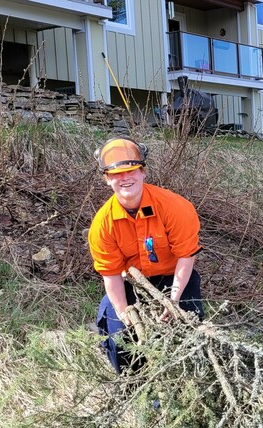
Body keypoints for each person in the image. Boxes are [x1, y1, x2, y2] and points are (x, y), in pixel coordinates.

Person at [88, 136, 205, 373]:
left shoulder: (175, 207)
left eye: (132, 171)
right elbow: (110, 275)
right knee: (118, 335)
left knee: (187, 329)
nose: (125, 178)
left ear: (143, 172)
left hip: (174, 278)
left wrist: (172, 300)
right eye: (116, 174)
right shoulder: (102, 224)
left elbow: (186, 256)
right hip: (131, 283)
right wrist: (125, 313)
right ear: (107, 179)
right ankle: (136, 388)